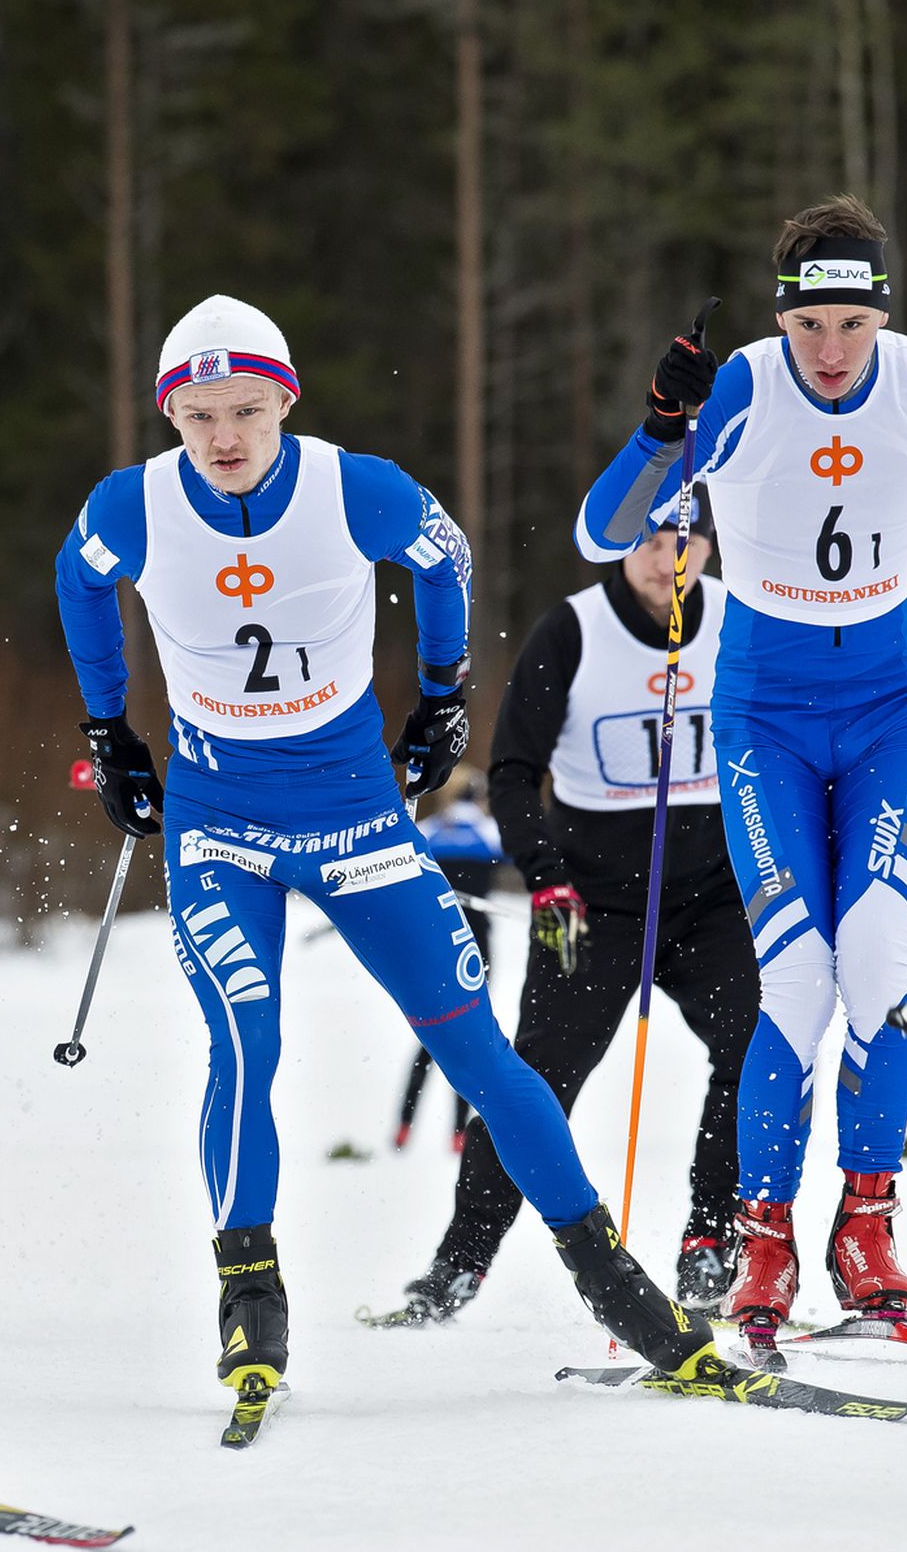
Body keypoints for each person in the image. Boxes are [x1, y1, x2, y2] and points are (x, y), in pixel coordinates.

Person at [57, 293, 716, 1420]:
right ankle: (248, 1286)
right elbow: (79, 579)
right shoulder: (135, 504)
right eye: (200, 415)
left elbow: (444, 554)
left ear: (286, 403)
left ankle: (608, 1275)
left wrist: (447, 692)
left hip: (361, 823)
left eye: (249, 411)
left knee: (479, 1055)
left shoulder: (349, 484)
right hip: (220, 831)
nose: (225, 437)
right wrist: (107, 726)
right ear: (170, 416)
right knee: (242, 1035)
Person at [575, 197, 907, 1353]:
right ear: (781, 315)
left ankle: (863, 1222)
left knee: (875, 967)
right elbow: (599, 528)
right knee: (797, 985)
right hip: (763, 715)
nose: (830, 350)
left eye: (851, 323)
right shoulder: (740, 388)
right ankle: (763, 1233)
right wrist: (660, 424)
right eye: (811, 322)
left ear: (883, 312)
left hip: (888, 711)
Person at [374, 502, 759, 1327]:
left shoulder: (741, 615)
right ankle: (460, 1262)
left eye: (685, 541)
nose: (668, 559)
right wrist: (544, 876)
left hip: (714, 896)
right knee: (532, 1083)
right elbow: (513, 770)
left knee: (757, 1047)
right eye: (651, 542)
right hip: (592, 901)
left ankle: (712, 1238)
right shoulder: (573, 631)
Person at [393, 765, 499, 1151]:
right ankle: (458, 1131)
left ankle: (404, 1124)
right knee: (469, 1038)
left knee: (430, 1037)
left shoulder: (430, 830)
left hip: (433, 947)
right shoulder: (488, 831)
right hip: (475, 953)